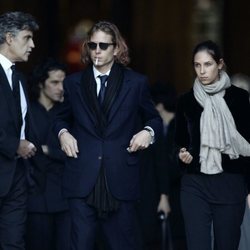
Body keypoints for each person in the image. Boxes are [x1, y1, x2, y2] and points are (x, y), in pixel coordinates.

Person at [53, 20, 162, 250]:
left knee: (123, 245)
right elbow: (59, 117)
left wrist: (147, 132)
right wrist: (63, 133)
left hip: (120, 176)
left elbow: (154, 119)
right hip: (82, 176)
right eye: (92, 46)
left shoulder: (136, 82)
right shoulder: (73, 83)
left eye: (104, 45)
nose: (97, 51)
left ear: (116, 48)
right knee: (80, 244)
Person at [175, 40, 250, 250]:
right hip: (195, 184)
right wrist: (181, 153)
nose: (202, 71)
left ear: (220, 64)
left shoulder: (239, 98)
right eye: (197, 65)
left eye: (207, 64)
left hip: (231, 184)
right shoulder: (186, 100)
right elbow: (177, 142)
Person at [0, 11, 39, 249]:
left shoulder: (20, 78)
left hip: (17, 177)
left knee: (14, 243)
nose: (32, 45)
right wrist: (15, 145)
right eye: (27, 38)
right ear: (9, 38)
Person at [26, 58, 71, 250]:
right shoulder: (26, 111)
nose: (61, 87)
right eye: (55, 82)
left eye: (63, 82)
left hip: (65, 194)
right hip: (34, 195)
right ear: (40, 83)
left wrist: (48, 150)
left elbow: (80, 151)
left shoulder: (69, 113)